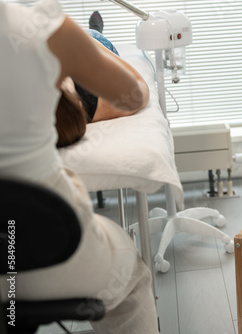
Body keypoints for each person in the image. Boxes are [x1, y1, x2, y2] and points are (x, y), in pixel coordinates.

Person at [0, 0, 158, 333]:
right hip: (51, 253)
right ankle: (97, 35)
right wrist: (80, 51)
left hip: (10, 266)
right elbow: (137, 95)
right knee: (131, 283)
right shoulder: (45, 25)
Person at [55, 11, 147, 147]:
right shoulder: (98, 103)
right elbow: (139, 87)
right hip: (90, 56)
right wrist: (89, 45)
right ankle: (96, 29)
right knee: (92, 35)